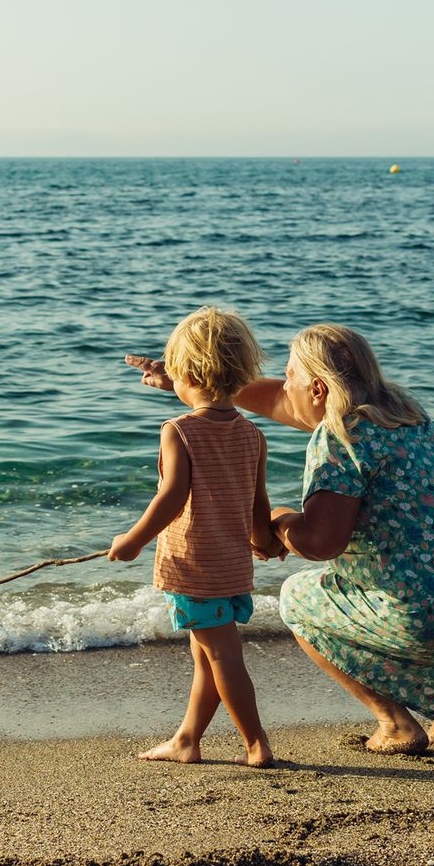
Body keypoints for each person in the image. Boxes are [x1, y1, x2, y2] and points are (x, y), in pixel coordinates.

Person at [126, 324, 434, 755]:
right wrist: (198, 386)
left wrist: (277, 522)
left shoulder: (340, 438)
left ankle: (396, 724)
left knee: (299, 597)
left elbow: (320, 544)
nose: (283, 386)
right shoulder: (402, 415)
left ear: (317, 388)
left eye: (289, 376)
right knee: (421, 586)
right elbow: (285, 403)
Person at [110, 307, 281, 768]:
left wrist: (133, 539)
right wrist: (263, 540)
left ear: (183, 373)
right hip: (232, 564)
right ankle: (188, 739)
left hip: (194, 565)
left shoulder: (179, 431)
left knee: (222, 656)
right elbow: (257, 502)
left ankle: (256, 744)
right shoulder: (252, 434)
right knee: (206, 657)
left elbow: (170, 498)